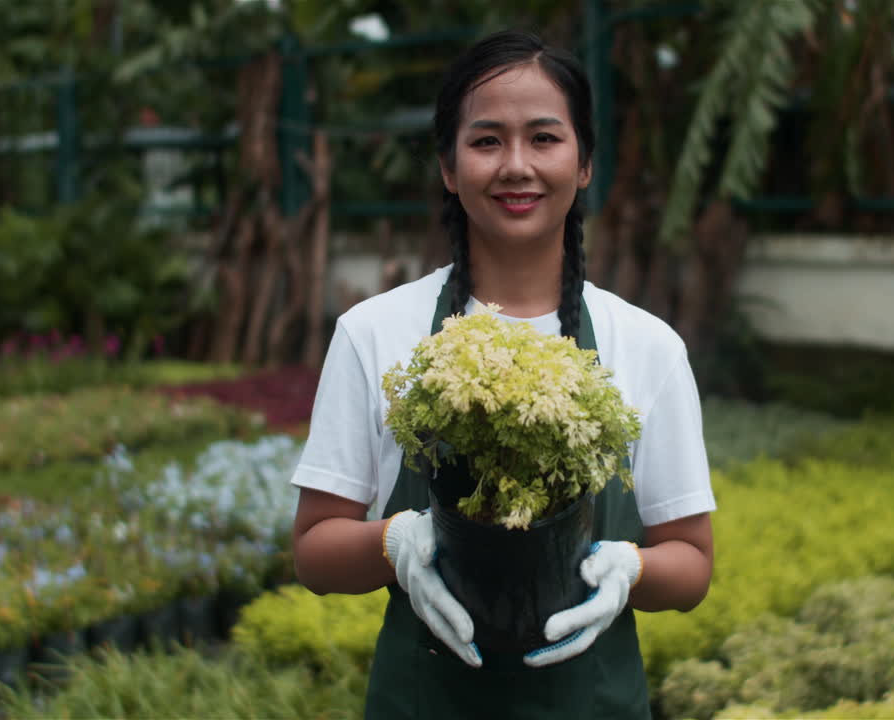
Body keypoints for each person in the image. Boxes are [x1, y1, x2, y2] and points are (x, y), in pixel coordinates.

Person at [291, 29, 715, 719]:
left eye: (544, 138)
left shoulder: (645, 346)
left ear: (583, 164)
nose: (516, 165)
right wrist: (394, 543)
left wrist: (629, 568)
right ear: (449, 168)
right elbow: (314, 551)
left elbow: (691, 563)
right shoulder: (375, 333)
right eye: (487, 141)